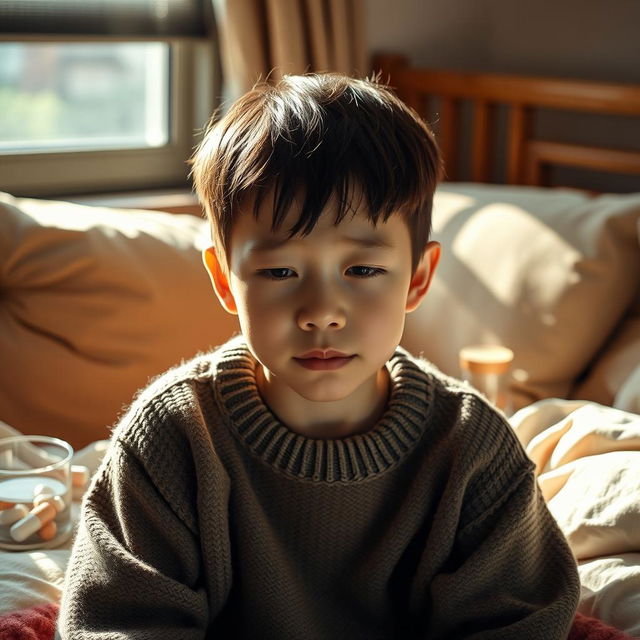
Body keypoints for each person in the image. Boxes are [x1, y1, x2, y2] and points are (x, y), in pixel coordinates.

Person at [56, 73, 580, 639]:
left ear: (418, 278)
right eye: (280, 271)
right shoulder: (174, 436)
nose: (322, 311)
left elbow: (522, 621)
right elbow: (117, 623)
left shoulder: (472, 447)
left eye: (362, 270)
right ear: (226, 281)